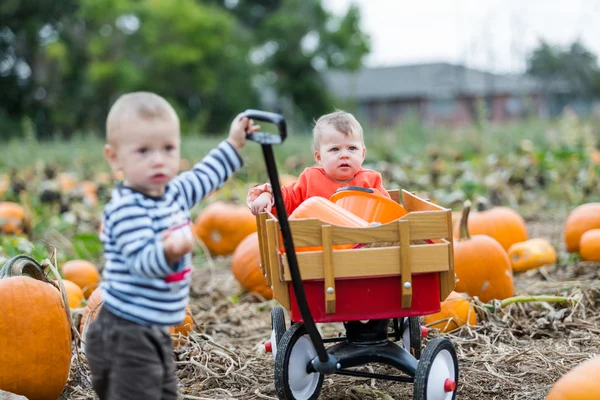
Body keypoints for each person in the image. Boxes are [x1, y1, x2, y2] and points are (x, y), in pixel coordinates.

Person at [85, 91, 259, 400]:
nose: (158, 160)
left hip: (154, 329)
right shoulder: (126, 208)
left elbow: (205, 176)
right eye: (143, 151)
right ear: (115, 158)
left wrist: (233, 144)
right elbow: (141, 260)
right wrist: (169, 250)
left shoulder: (173, 193)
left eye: (168, 149)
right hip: (124, 333)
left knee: (165, 392)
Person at [247, 110, 389, 216]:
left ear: (362, 154)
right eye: (335, 149)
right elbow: (286, 198)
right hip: (317, 246)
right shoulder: (310, 179)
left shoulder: (371, 180)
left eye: (352, 148)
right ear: (319, 157)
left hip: (360, 246)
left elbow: (388, 211)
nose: (344, 155)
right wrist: (266, 195)